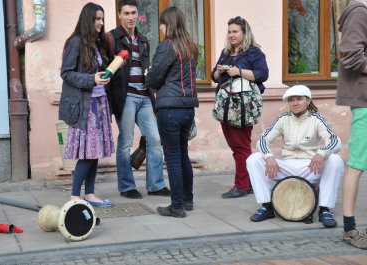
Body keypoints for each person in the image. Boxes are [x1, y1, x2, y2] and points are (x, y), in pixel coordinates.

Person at [246, 85, 344, 227]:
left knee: (335, 160)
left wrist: (321, 154)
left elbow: (335, 141)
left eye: (299, 99)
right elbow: (263, 140)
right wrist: (269, 157)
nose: (295, 103)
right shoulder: (283, 119)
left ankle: (324, 209)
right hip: (288, 167)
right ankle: (267, 206)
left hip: (310, 167)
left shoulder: (317, 119)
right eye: (291, 100)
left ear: (308, 101)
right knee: (253, 159)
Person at [107, 0, 170, 199]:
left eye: (134, 13)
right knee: (125, 142)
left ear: (138, 14)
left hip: (144, 97)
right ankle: (127, 187)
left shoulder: (143, 40)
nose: (131, 17)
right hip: (125, 98)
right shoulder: (111, 39)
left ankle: (155, 185)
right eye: (126, 13)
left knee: (155, 139)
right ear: (120, 15)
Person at [59, 3, 114, 207]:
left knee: (96, 150)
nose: (100, 23)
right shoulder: (75, 42)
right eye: (97, 19)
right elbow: (66, 73)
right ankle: (75, 196)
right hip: (85, 106)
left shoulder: (95, 43)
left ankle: (89, 194)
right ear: (87, 20)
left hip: (100, 102)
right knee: (88, 152)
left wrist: (107, 73)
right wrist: (92, 79)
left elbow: (97, 72)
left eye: (102, 19)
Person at [146, 6, 199, 218]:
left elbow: (154, 78)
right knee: (183, 153)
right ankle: (187, 199)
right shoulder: (190, 47)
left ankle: (176, 206)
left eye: (162, 22)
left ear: (169, 24)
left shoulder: (167, 46)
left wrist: (149, 76)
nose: (160, 27)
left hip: (169, 108)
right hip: (187, 109)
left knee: (173, 157)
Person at [211, 16, 269, 198]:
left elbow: (263, 74)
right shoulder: (226, 52)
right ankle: (249, 182)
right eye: (229, 32)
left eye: (235, 31)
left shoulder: (254, 53)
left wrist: (239, 72)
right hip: (225, 105)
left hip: (243, 106)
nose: (231, 35)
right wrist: (218, 72)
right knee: (235, 146)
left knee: (241, 146)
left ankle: (242, 185)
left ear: (245, 33)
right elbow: (214, 77)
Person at [336, 0, 367, 249]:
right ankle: (349, 228)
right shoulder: (359, 12)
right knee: (356, 164)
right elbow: (351, 56)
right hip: (365, 102)